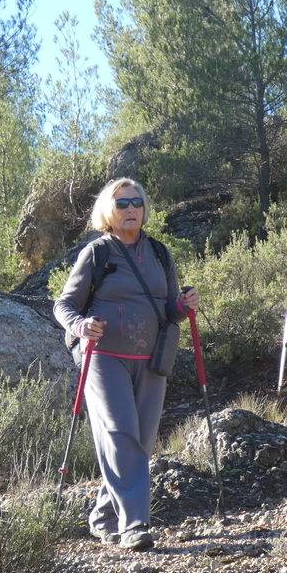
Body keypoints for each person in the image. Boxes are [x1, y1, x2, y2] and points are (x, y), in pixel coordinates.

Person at [54, 178, 200, 552]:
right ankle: (134, 524)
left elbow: (169, 310)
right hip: (104, 358)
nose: (131, 209)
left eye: (137, 202)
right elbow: (64, 305)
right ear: (109, 210)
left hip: (152, 359)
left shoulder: (160, 254)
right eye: (122, 204)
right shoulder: (98, 253)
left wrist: (184, 307)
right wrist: (81, 325)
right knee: (120, 432)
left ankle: (103, 517)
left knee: (142, 442)